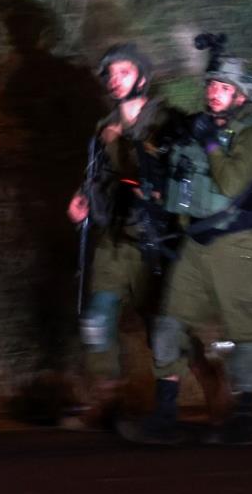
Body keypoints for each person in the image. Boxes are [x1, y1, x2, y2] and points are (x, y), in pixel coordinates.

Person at [119, 54, 252, 446]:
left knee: (243, 332)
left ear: (241, 97)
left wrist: (208, 140)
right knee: (168, 321)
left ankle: (245, 415)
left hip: (239, 246)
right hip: (196, 244)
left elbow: (230, 183)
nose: (214, 93)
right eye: (211, 86)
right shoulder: (198, 129)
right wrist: (154, 193)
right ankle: (165, 414)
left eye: (224, 88)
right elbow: (183, 188)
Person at [65, 43, 213, 429]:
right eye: (111, 75)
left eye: (124, 73)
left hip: (155, 239)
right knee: (96, 319)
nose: (116, 81)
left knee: (161, 326)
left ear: (142, 78)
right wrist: (82, 198)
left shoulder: (166, 121)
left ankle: (206, 378)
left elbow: (171, 175)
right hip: (114, 237)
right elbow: (98, 176)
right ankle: (107, 399)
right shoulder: (105, 126)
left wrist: (120, 146)